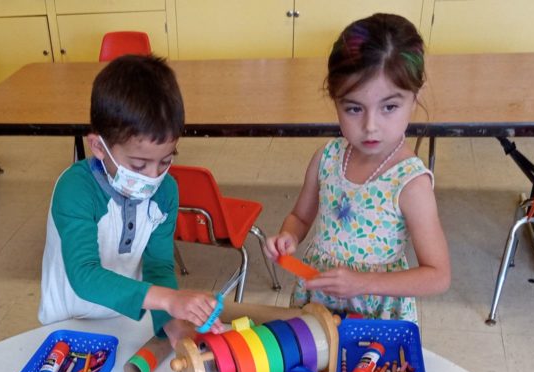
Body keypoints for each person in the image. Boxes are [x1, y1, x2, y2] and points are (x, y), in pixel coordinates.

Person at [264, 13, 451, 322]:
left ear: (414, 98)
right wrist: (288, 237)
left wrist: (362, 283)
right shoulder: (327, 157)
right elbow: (300, 216)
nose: (370, 126)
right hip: (318, 303)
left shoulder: (410, 183)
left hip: (374, 315)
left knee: (362, 371)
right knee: (313, 370)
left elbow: (438, 275)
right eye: (353, 109)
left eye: (389, 107)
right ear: (335, 100)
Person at [37, 54, 222, 347]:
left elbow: (159, 266)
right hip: (67, 324)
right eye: (138, 165)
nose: (153, 176)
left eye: (165, 161)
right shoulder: (75, 189)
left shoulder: (165, 192)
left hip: (127, 319)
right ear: (99, 146)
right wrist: (170, 300)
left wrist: (171, 325)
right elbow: (84, 275)